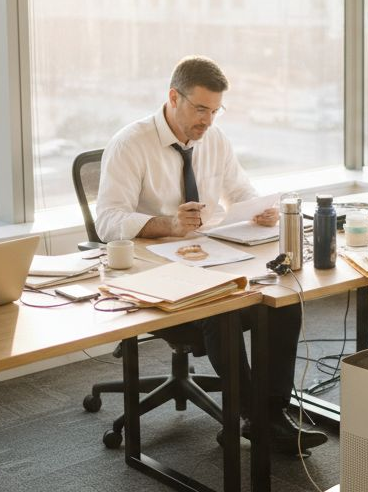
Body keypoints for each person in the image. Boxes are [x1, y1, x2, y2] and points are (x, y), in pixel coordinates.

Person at [95, 55, 327, 455]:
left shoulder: (214, 140)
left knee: (285, 301)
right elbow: (108, 221)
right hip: (156, 271)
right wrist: (168, 224)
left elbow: (240, 191)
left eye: (216, 111)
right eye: (201, 109)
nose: (208, 121)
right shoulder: (131, 144)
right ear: (173, 97)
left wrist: (261, 209)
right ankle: (255, 417)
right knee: (225, 310)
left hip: (210, 256)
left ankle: (272, 412)